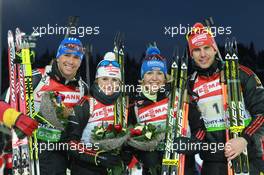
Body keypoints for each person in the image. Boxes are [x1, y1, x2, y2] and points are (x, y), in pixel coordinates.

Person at [185, 22, 264, 175]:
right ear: (191, 54)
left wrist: (244, 139)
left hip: (247, 156)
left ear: (214, 49)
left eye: (206, 48)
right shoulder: (190, 85)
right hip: (212, 163)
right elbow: (198, 127)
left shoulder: (241, 74)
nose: (202, 54)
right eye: (196, 50)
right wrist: (192, 142)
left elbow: (261, 113)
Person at [4, 37, 89, 175]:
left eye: (76, 57)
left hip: (62, 159)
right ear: (58, 57)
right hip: (31, 153)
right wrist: (17, 119)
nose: (71, 61)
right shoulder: (37, 78)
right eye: (66, 55)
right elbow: (3, 103)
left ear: (80, 61)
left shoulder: (82, 88)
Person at [129, 45, 205, 175]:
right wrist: (142, 155)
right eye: (149, 73)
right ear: (142, 77)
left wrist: (192, 143)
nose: (154, 78)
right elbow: (129, 140)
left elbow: (200, 129)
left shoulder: (181, 96)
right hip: (153, 170)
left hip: (183, 167)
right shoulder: (134, 105)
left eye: (159, 73)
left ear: (165, 77)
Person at [67, 52, 127, 175]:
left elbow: (129, 135)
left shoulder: (123, 105)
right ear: (97, 80)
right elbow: (70, 143)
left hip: (112, 168)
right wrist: (97, 157)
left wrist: (127, 153)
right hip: (85, 169)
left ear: (120, 83)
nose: (109, 84)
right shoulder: (86, 104)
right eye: (104, 79)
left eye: (114, 80)